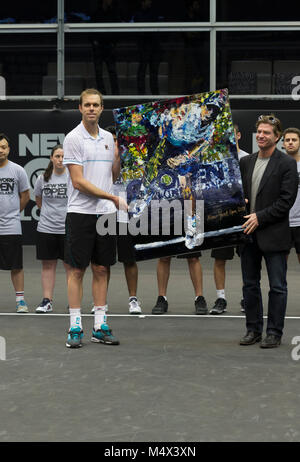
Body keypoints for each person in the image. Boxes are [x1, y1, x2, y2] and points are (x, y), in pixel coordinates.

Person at [63, 88, 128, 348]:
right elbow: (78, 182)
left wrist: (118, 157)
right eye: (87, 105)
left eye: (96, 105)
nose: (92, 109)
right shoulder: (73, 138)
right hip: (80, 213)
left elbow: (111, 176)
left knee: (102, 268)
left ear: (102, 109)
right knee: (77, 270)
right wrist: (112, 198)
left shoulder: (108, 138)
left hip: (105, 214)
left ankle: (100, 325)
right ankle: (75, 325)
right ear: (80, 108)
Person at [239, 114, 298, 348]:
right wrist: (240, 205)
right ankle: (252, 330)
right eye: (259, 132)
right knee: (249, 286)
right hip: (247, 235)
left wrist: (259, 217)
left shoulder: (286, 164)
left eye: (267, 133)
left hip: (274, 234)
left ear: (277, 137)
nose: (262, 136)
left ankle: (274, 332)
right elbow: (240, 196)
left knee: (277, 287)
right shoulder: (246, 162)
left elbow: (286, 201)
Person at [210, 123, 249, 315]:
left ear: (239, 135)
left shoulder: (248, 159)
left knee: (247, 259)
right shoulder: (215, 160)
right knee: (219, 259)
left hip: (244, 217)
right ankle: (220, 298)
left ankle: (246, 298)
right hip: (222, 217)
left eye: (232, 134)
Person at [105, 125, 142, 314]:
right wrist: (116, 157)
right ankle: (101, 301)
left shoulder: (133, 160)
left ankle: (133, 299)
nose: (114, 143)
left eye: (117, 140)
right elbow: (112, 177)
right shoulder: (101, 160)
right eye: (111, 140)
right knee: (104, 262)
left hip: (127, 216)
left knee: (129, 260)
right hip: (106, 214)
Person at [34, 144, 71, 313]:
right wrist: (49, 216)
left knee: (70, 267)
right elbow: (39, 200)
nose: (61, 160)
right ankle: (47, 301)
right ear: (51, 158)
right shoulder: (43, 178)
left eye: (63, 156)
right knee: (48, 266)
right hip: (46, 228)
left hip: (67, 229)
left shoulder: (72, 177)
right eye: (57, 156)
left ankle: (73, 301)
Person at [0, 133, 30, 312]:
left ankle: (20, 301)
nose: (0, 150)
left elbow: (25, 196)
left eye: (3, 147)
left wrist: (11, 213)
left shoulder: (18, 170)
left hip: (11, 226)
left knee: (16, 266)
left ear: (9, 149)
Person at [282, 127, 300, 264]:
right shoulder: (277, 165)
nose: (290, 142)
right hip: (282, 223)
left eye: (294, 140)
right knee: (280, 266)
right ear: (282, 144)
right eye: (287, 140)